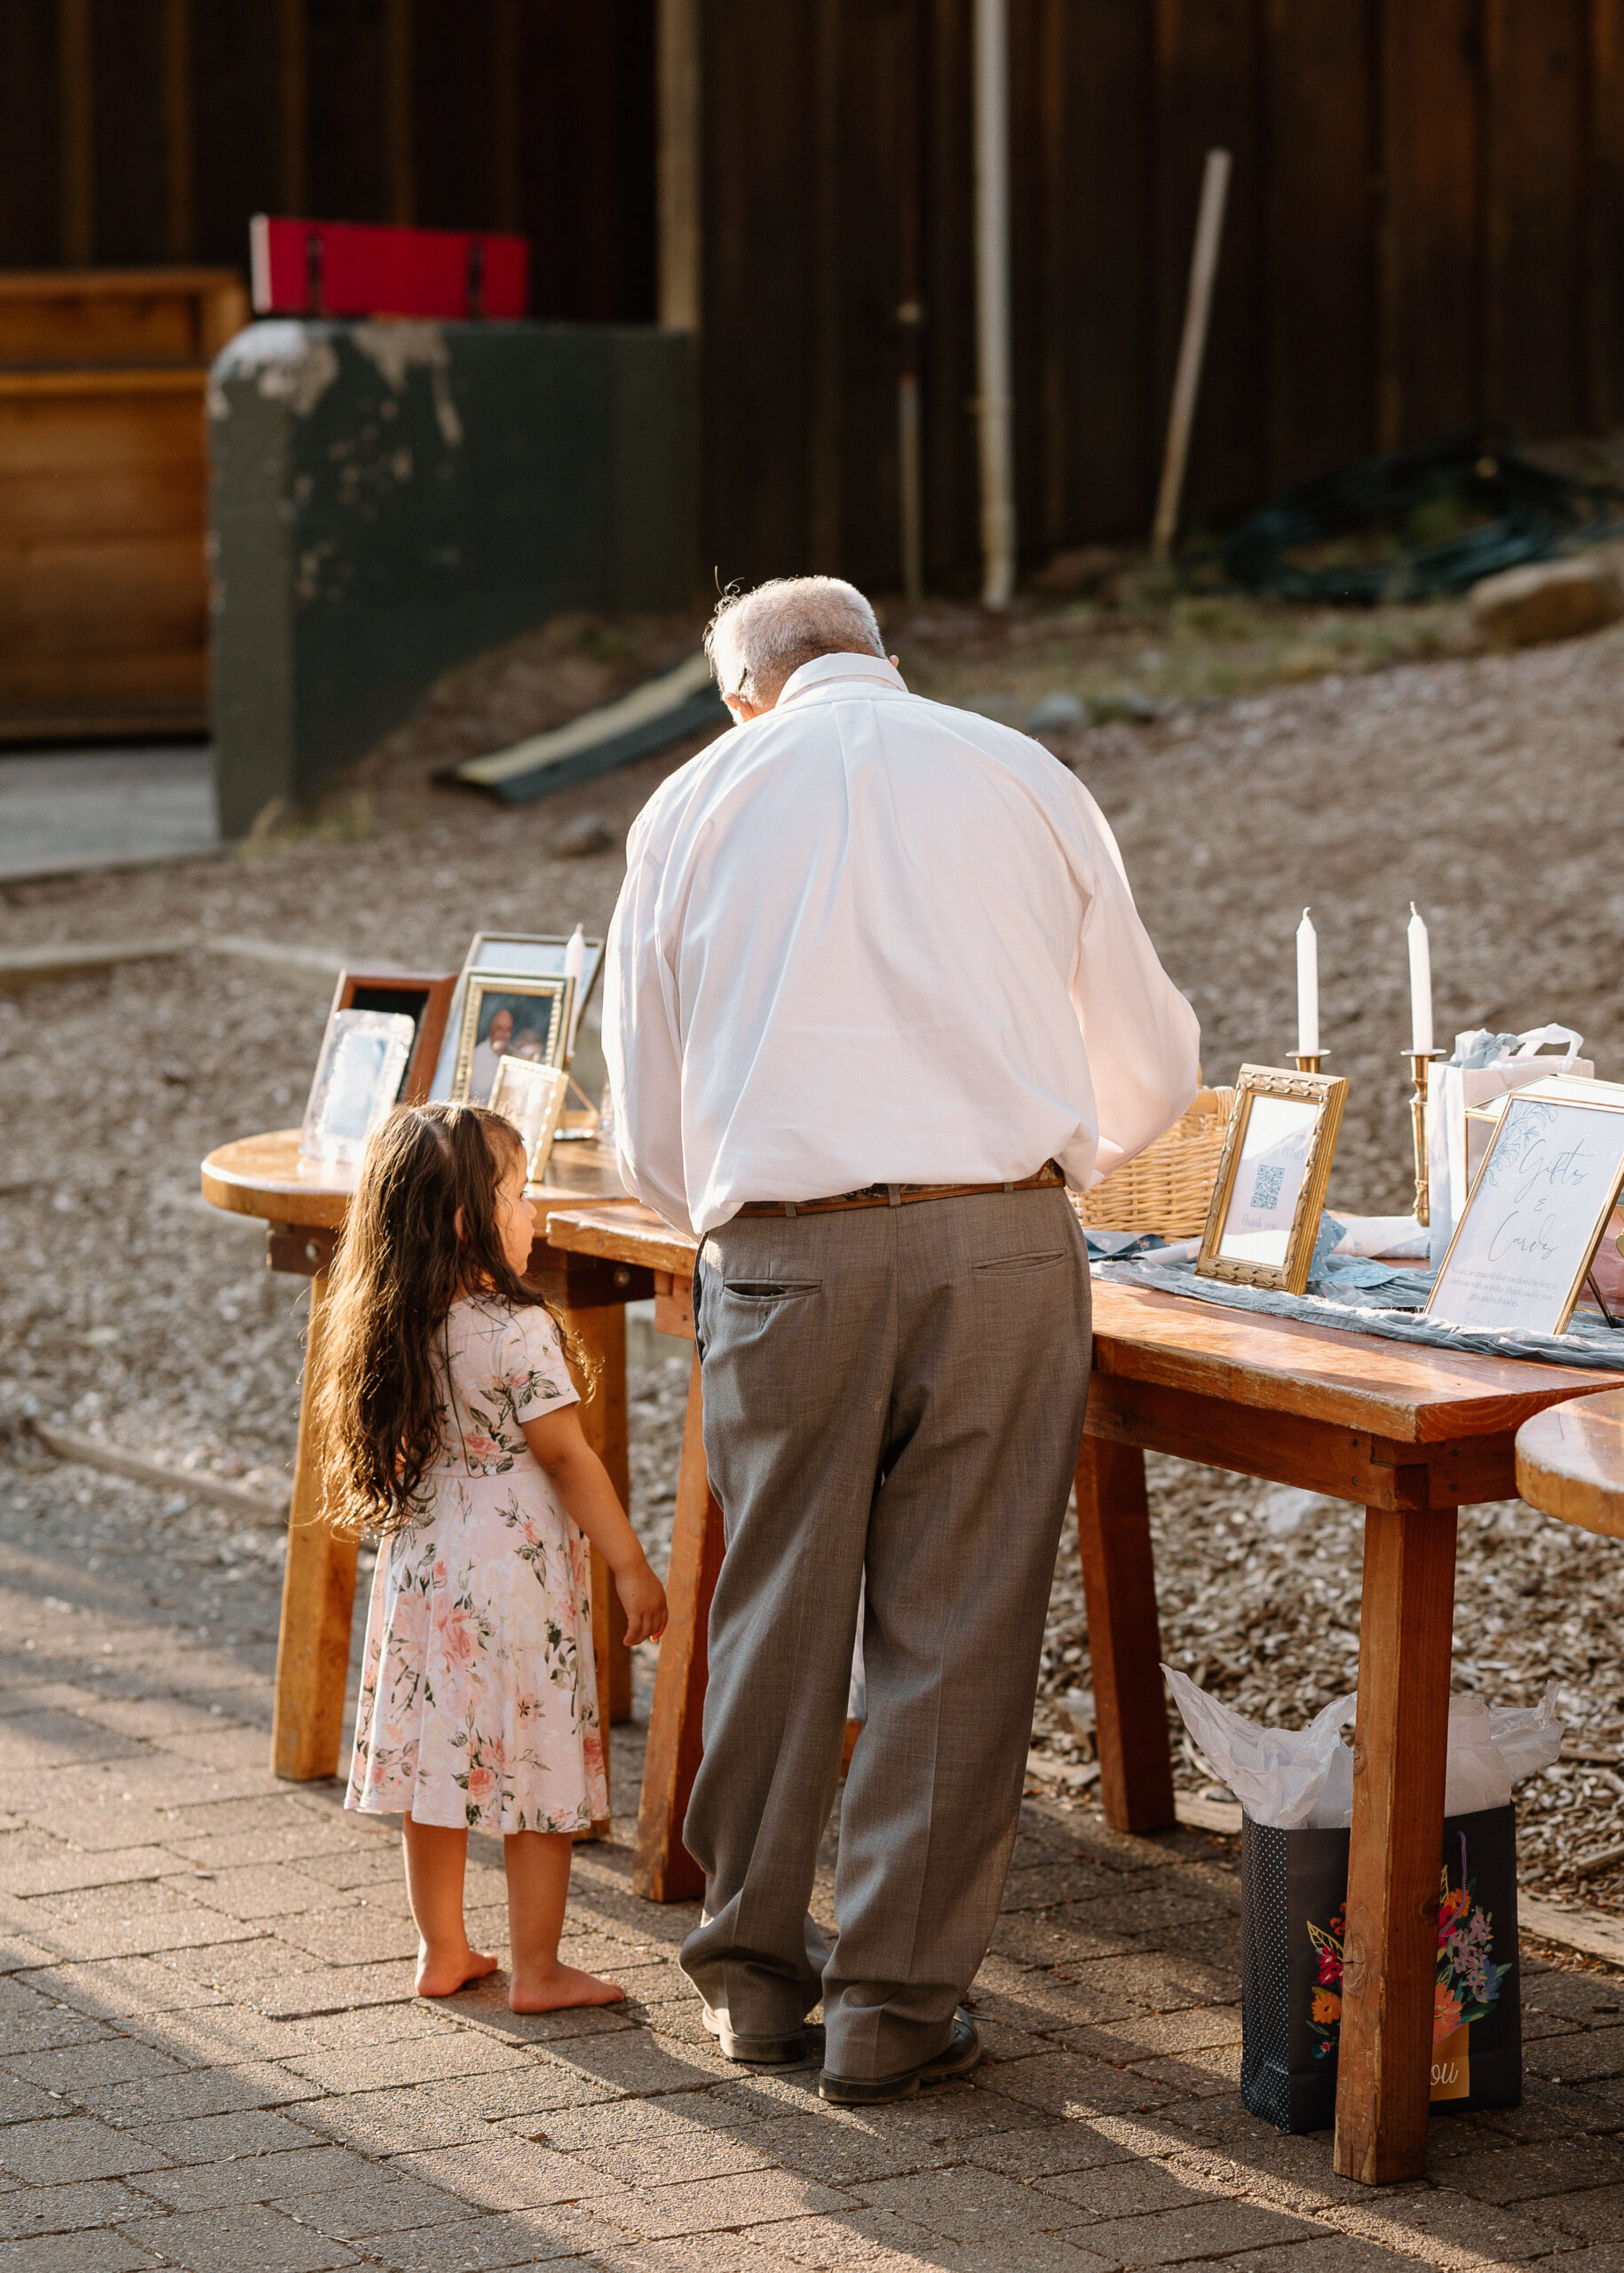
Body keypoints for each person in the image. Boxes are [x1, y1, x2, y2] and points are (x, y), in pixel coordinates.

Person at [605, 575, 1198, 2104]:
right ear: (887, 658)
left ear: (745, 693)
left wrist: (721, 1210)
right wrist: (1060, 1158)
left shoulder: (691, 801)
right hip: (999, 1235)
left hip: (782, 1249)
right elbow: (1148, 1061)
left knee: (771, 1601)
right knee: (958, 1620)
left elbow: (644, 1110)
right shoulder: (1018, 769)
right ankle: (894, 2008)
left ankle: (748, 1980)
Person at [313, 1101, 668, 2011]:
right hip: (512, 1583)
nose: (536, 1209)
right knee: (537, 1766)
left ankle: (444, 1951)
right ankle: (539, 1970)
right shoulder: (516, 1329)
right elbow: (564, 1454)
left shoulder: (390, 1321)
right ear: (470, 1218)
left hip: (426, 1574)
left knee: (440, 1768)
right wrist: (628, 1561)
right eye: (519, 1191)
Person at [468, 1004, 516, 1104]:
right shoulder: (475, 1057)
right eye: (500, 1028)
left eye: (508, 1029)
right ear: (491, 1029)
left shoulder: (515, 1057)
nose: (503, 1034)